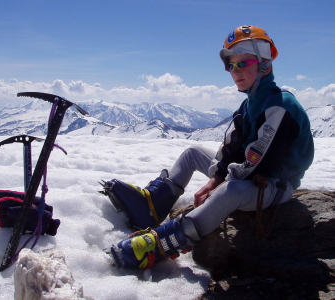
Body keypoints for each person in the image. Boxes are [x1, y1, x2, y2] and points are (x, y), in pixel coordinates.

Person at [102, 25, 314, 269]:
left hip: (274, 184)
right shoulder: (249, 106)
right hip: (251, 174)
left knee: (231, 191)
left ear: (265, 62)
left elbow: (259, 166)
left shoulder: (280, 106)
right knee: (193, 153)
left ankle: (164, 242)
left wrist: (219, 184)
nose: (235, 71)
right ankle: (152, 205)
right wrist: (216, 177)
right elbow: (231, 149)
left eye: (243, 63)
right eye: (231, 65)